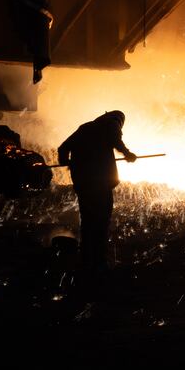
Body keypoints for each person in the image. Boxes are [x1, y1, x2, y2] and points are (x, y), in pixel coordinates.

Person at [57, 111, 137, 270]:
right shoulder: (112, 123)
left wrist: (67, 162)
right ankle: (99, 261)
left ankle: (86, 259)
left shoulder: (85, 128)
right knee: (101, 222)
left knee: (87, 222)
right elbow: (116, 139)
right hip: (101, 184)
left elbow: (63, 148)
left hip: (83, 185)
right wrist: (127, 154)